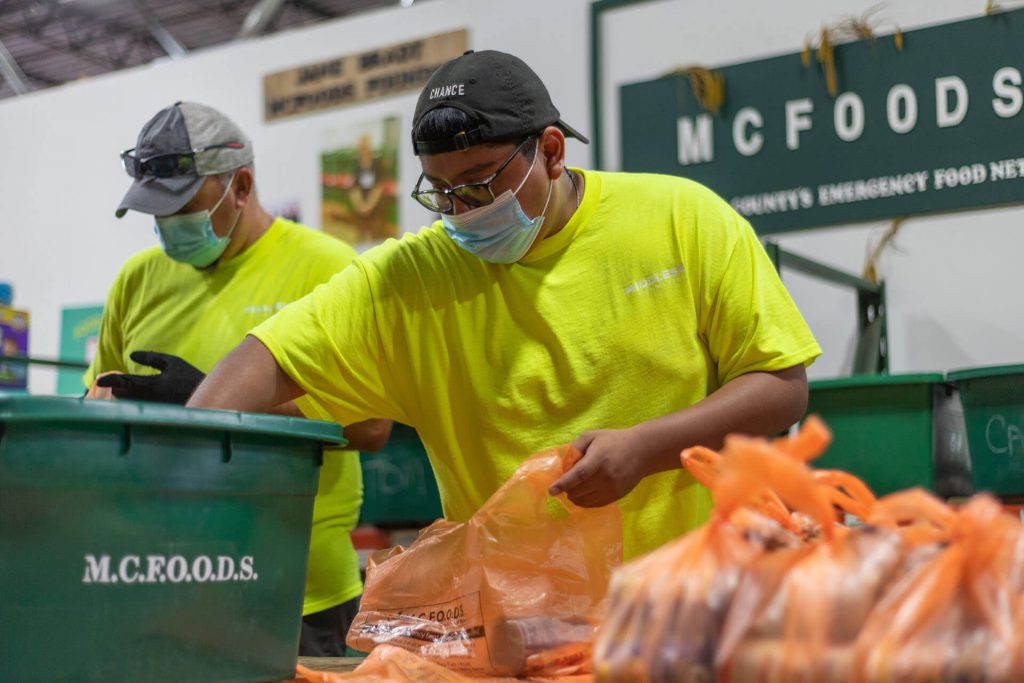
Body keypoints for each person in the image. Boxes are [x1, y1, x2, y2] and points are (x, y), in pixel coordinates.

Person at [187, 51, 821, 561]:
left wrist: (646, 448)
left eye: (484, 182)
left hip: (686, 608)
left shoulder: (682, 219)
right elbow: (267, 358)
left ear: (550, 150)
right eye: (442, 192)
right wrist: (178, 464)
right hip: (518, 630)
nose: (463, 210)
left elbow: (781, 385)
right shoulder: (412, 280)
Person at [84, 101, 391, 654]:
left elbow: (372, 425)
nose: (166, 226)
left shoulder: (327, 267)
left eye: (181, 207)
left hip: (296, 594)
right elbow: (96, 396)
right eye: (155, 212)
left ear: (241, 186)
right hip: (162, 584)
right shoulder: (136, 280)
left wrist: (216, 408)